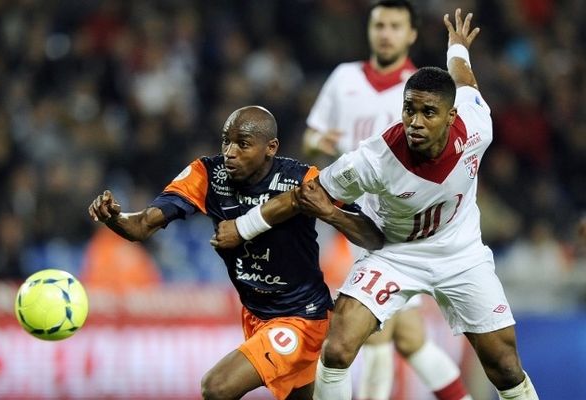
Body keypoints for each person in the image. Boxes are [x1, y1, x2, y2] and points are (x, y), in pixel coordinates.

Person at [214, 9, 539, 400]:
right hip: (394, 252)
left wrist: (458, 45)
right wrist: (245, 226)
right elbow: (307, 195)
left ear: (452, 116)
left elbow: (463, 78)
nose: (414, 122)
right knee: (337, 347)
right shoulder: (374, 160)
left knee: (504, 366)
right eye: (409, 110)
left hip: (461, 251)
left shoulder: (477, 124)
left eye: (428, 113)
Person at [87, 105, 384, 400]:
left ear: (271, 148)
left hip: (303, 318)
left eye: (242, 144)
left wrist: (330, 214)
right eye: (226, 141)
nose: (230, 152)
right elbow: (142, 226)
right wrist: (114, 217)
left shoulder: (302, 179)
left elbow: (371, 235)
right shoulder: (207, 174)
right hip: (255, 315)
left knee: (217, 387)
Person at [305, 1, 471, 399]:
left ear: (411, 34)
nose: (385, 33)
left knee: (375, 334)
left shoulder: (423, 89)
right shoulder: (343, 78)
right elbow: (311, 139)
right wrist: (323, 144)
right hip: (348, 220)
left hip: (401, 225)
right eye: (380, 24)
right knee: (409, 337)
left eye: (396, 26)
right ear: (369, 29)